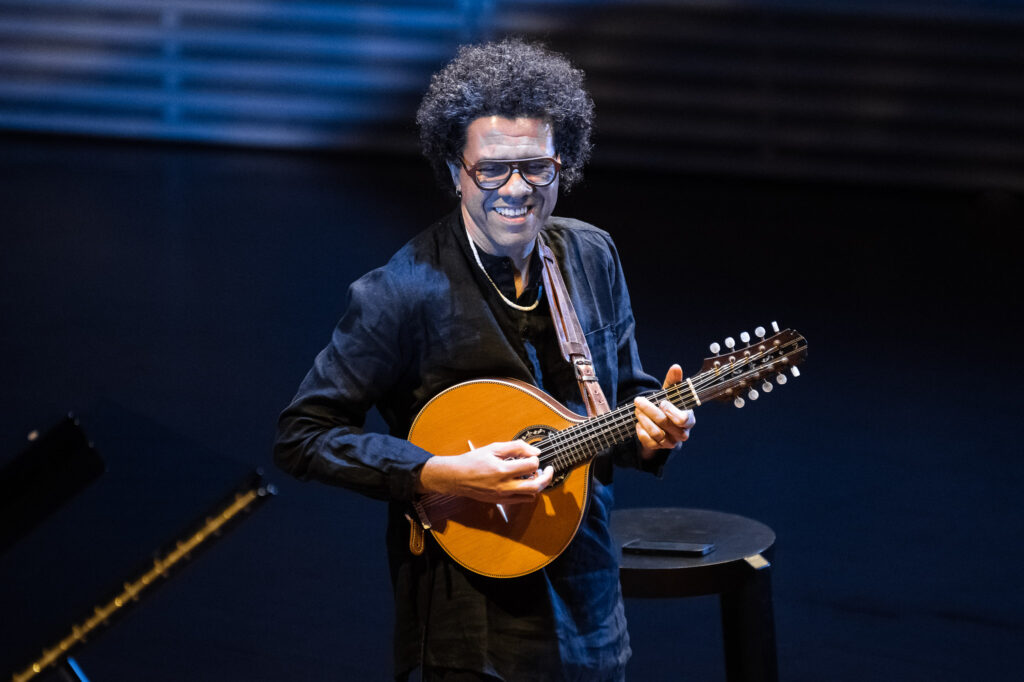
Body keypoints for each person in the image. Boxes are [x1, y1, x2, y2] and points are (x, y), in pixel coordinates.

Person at [274, 39, 695, 681]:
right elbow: (303, 436)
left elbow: (620, 403)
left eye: (537, 168)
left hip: (588, 597)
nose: (517, 190)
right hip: (472, 617)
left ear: (563, 162)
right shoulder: (401, 291)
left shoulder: (592, 255)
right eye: (492, 170)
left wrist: (654, 430)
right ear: (456, 171)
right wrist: (439, 472)